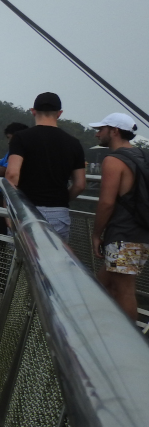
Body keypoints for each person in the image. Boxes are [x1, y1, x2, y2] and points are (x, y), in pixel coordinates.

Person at [90, 113, 148, 321]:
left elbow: (106, 203)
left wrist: (97, 234)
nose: (97, 134)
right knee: (102, 283)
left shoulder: (113, 160)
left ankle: (130, 343)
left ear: (114, 131)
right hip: (142, 232)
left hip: (124, 234)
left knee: (124, 289)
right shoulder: (143, 156)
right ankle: (99, 328)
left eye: (101, 129)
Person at [5, 93, 86, 241]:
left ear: (33, 111)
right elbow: (80, 184)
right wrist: (61, 200)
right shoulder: (74, 143)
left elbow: (11, 175)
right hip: (59, 212)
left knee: (23, 259)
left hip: (26, 209)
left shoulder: (21, 137)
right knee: (57, 261)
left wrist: (8, 209)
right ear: (59, 114)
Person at [0, 122, 29, 234]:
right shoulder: (11, 152)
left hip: (8, 198)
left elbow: (2, 171)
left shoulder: (21, 152)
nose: (9, 141)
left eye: (10, 138)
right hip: (0, 196)